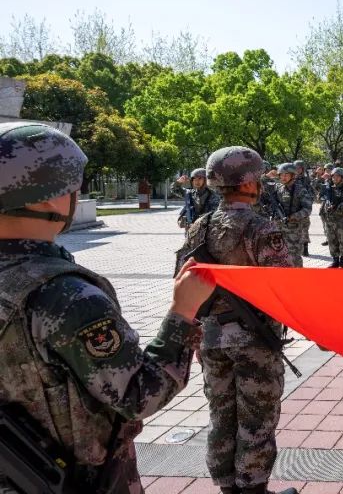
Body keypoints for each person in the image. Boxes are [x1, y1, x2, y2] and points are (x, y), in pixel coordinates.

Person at [0, 122, 213, 493]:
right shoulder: (65, 297)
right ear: (47, 197)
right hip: (81, 482)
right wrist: (183, 312)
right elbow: (139, 394)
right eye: (72, 184)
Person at [175, 146, 298, 494]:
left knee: (221, 416)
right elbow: (285, 286)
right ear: (247, 183)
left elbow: (184, 280)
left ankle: (227, 487)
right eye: (257, 178)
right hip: (254, 342)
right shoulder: (261, 229)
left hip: (211, 339)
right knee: (256, 419)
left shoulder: (199, 227)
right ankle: (253, 489)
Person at [273, 163, 312, 267]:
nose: (283, 177)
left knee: (294, 257)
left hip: (294, 230)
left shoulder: (300, 190)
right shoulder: (279, 188)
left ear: (293, 175)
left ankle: (297, 276)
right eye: (281, 175)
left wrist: (294, 216)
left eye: (286, 174)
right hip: (279, 227)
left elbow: (307, 209)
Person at [321, 167, 343, 268]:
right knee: (331, 240)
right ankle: (335, 260)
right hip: (329, 219)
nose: (335, 178)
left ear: (342, 178)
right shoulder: (329, 189)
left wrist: (338, 206)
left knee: (341, 241)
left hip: (341, 220)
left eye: (337, 176)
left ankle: (342, 261)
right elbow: (320, 196)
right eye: (333, 176)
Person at [178, 167, 221, 232]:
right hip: (191, 230)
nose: (196, 181)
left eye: (200, 178)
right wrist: (179, 182)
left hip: (207, 230)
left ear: (205, 180)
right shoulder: (189, 193)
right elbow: (175, 189)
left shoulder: (213, 195)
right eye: (194, 179)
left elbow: (216, 214)